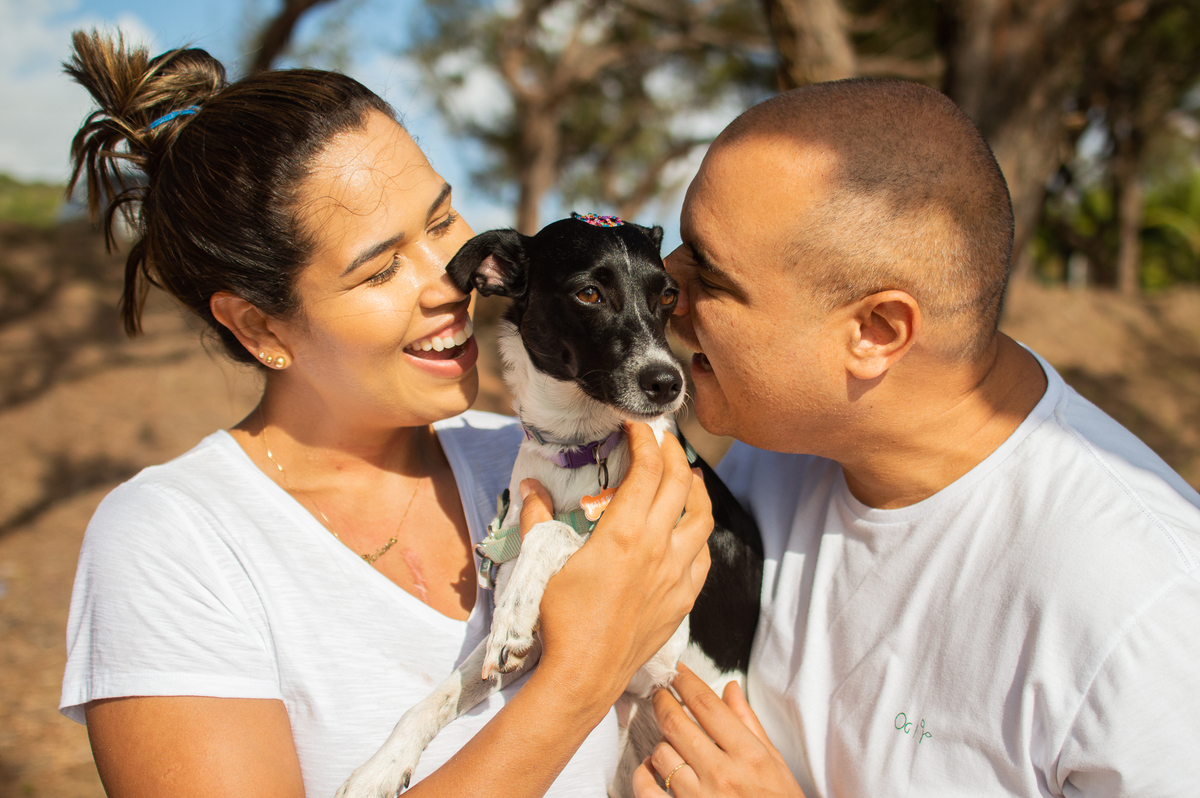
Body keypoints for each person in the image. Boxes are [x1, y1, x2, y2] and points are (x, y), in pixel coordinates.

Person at [58, 31, 713, 798]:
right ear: (260, 327)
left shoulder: (550, 458)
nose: (448, 280)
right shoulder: (176, 544)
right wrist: (578, 678)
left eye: (441, 221)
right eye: (379, 268)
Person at [632, 78, 1200, 797]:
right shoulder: (774, 448)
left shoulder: (1146, 610)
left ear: (875, 333)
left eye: (708, 272)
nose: (664, 285)